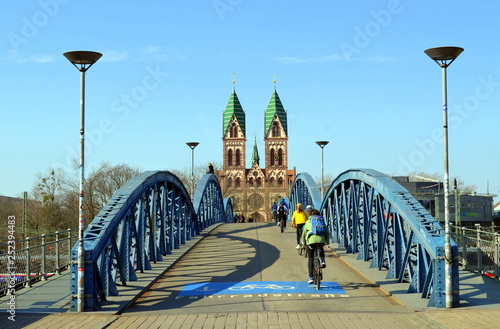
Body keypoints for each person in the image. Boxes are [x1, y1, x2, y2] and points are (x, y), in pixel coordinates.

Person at [302, 209, 329, 284]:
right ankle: (323, 260)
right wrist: (327, 241)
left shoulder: (308, 221)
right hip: (321, 239)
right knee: (320, 247)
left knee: (310, 258)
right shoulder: (321, 220)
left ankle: (311, 278)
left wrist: (304, 243)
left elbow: (304, 233)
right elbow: (326, 231)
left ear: (310, 215)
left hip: (311, 241)